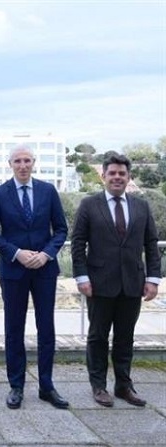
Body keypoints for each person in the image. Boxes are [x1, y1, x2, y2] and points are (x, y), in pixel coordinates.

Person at [0, 144, 69, 410]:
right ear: (10, 164)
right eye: (17, 161)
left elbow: (61, 230)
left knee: (46, 329)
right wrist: (16, 253)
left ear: (34, 163)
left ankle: (46, 385)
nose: (22, 165)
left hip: (44, 270)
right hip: (14, 270)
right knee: (14, 330)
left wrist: (46, 254)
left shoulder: (48, 191)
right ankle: (16, 386)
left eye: (27, 160)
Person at [71, 152, 160, 408]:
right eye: (112, 173)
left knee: (125, 337)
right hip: (98, 283)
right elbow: (78, 243)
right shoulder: (89, 205)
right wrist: (81, 277)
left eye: (122, 173)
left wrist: (153, 278)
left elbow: (151, 244)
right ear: (104, 176)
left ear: (128, 177)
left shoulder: (141, 206)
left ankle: (123, 386)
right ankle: (98, 386)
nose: (117, 177)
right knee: (97, 336)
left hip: (133, 283)